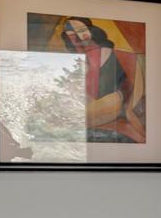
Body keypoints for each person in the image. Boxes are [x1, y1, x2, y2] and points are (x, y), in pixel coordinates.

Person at [59, 16, 146, 144]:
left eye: (82, 30)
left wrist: (130, 112)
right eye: (71, 35)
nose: (77, 37)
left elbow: (137, 85)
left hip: (113, 101)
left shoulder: (122, 55)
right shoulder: (76, 62)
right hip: (85, 103)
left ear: (92, 30)